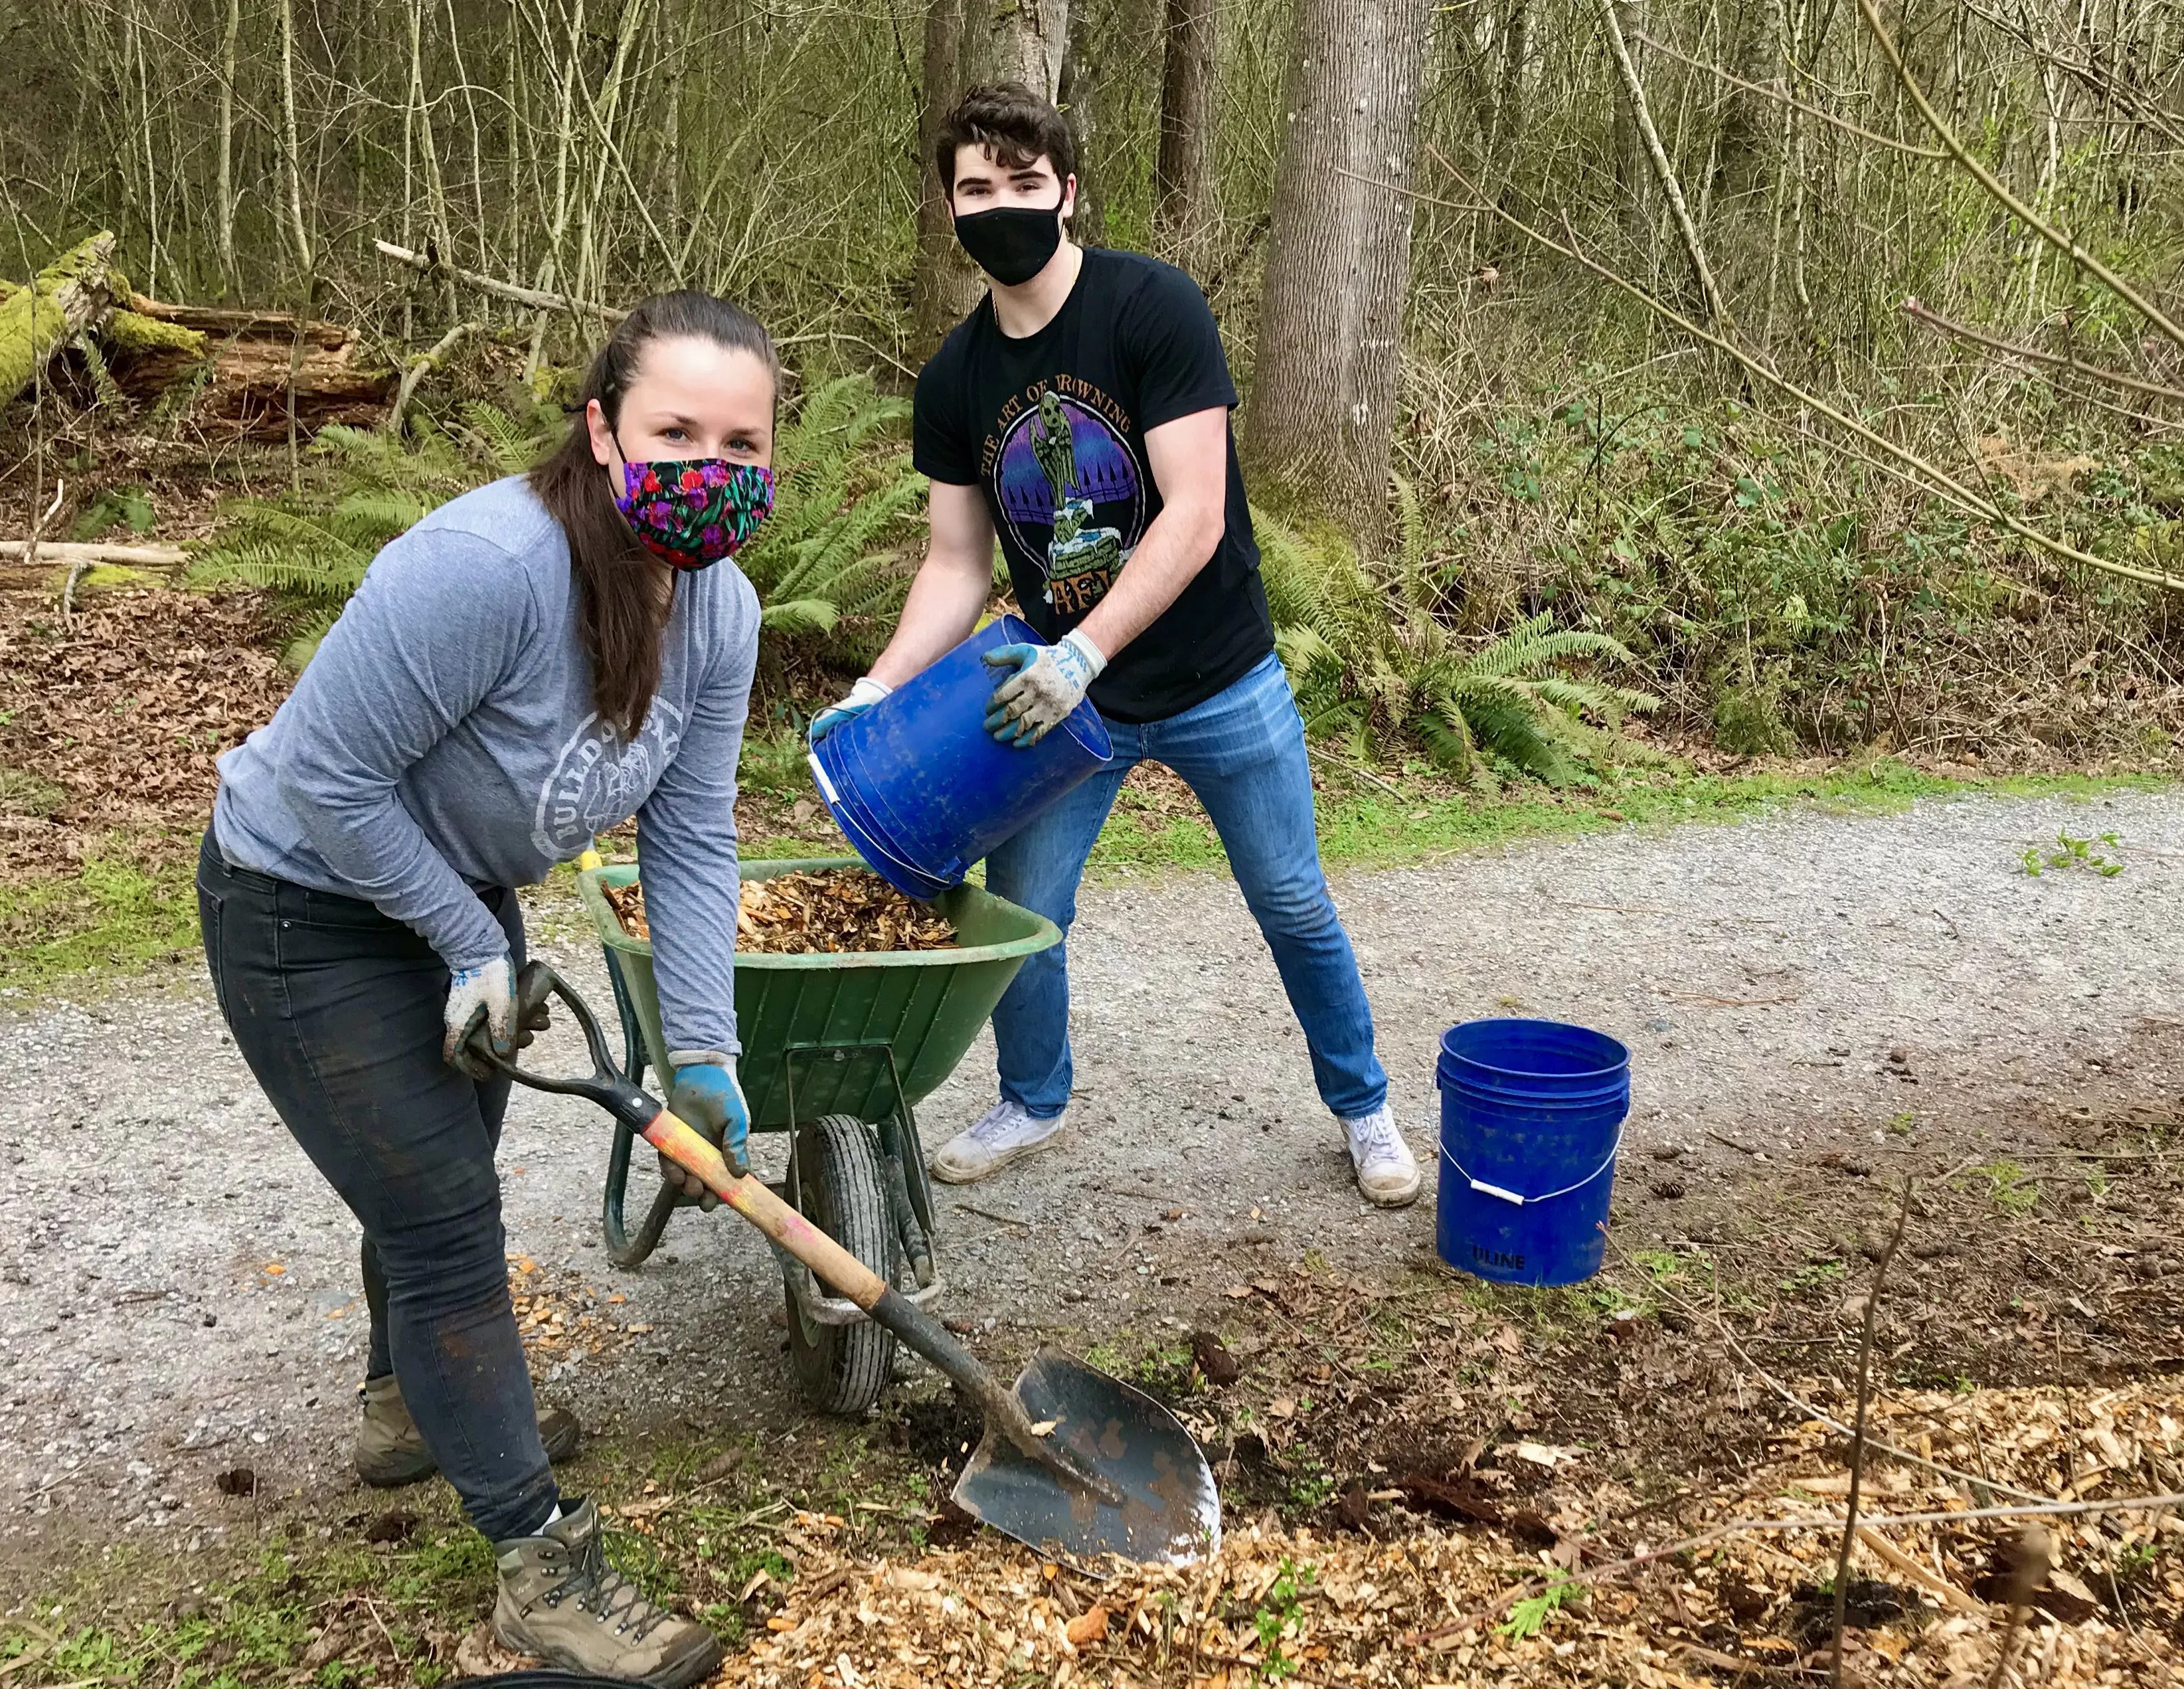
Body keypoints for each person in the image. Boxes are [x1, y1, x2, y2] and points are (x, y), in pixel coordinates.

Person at [199, 292, 778, 1688]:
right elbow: (331, 778)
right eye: (674, 431)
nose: (711, 465)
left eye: (743, 442)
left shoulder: (718, 610)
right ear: (601, 428)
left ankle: (406, 1410)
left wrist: (703, 1045)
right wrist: (471, 941)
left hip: (450, 897)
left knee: (438, 1168)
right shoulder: (486, 566)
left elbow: (691, 834)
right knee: (448, 1216)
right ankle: (540, 1572)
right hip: (299, 900)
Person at [811, 86, 1420, 1208]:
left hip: (1214, 675)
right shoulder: (953, 379)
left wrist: (1085, 648)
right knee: (1023, 913)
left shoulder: (1152, 307)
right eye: (975, 188)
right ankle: (1033, 1098)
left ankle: (1363, 1107)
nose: (1001, 206)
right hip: (1057, 702)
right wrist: (878, 687)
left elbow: (1192, 513)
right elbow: (955, 562)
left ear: (1068, 192)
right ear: (948, 207)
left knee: (1289, 898)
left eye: (1024, 183)